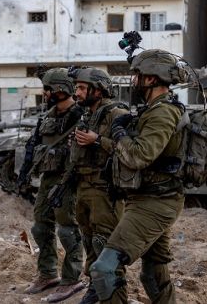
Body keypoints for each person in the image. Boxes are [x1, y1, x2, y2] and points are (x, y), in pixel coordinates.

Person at [89, 49, 187, 304]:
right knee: (153, 272)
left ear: (151, 79)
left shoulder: (162, 112)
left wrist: (120, 134)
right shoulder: (154, 108)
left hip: (154, 204)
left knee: (104, 269)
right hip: (150, 198)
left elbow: (140, 156)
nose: (133, 81)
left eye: (137, 76)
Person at [68, 67, 130, 304]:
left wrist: (98, 141)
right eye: (77, 88)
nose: (78, 93)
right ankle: (96, 286)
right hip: (84, 187)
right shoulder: (88, 115)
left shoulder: (117, 113)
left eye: (82, 88)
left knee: (106, 244)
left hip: (106, 190)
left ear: (99, 89)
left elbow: (130, 151)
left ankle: (114, 294)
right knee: (89, 240)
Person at [25, 68, 86, 303]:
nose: (44, 92)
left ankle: (72, 278)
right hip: (49, 177)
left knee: (67, 229)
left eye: (48, 89)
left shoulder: (80, 115)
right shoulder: (48, 115)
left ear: (60, 90)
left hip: (70, 177)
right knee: (40, 227)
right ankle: (48, 273)